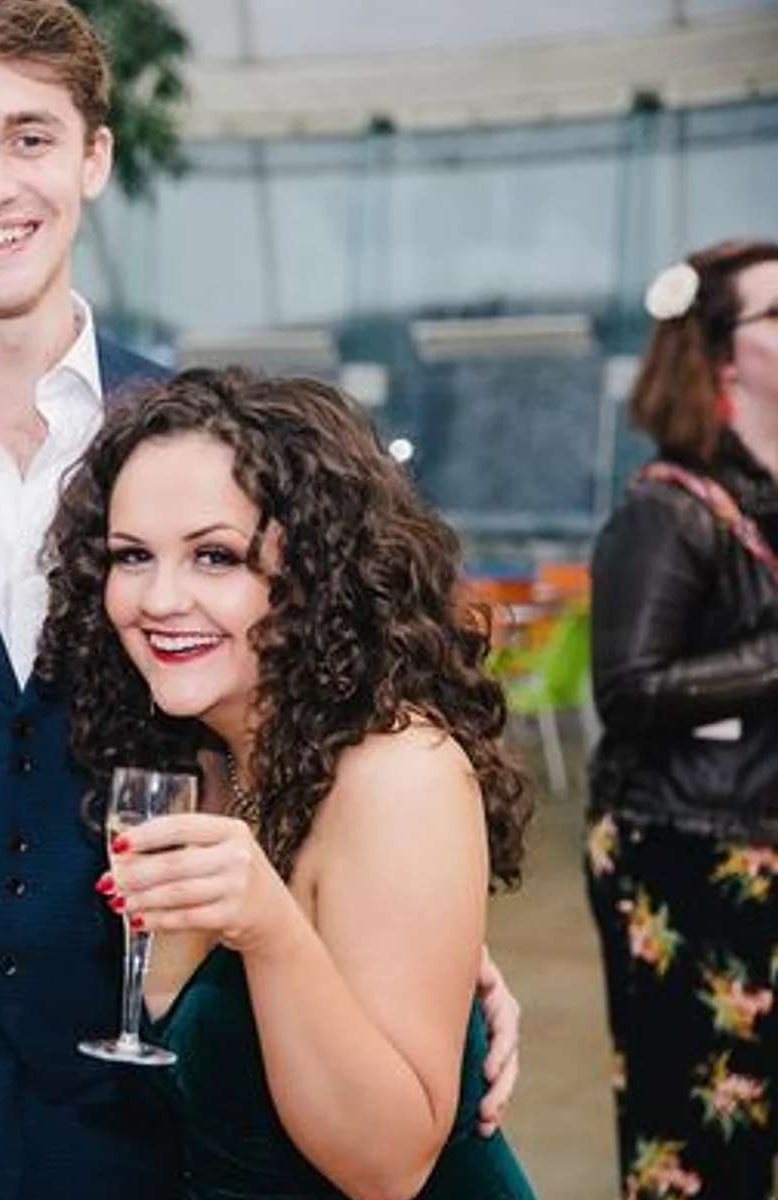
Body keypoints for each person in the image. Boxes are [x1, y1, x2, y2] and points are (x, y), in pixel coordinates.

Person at [0, 3, 519, 1197]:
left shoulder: (210, 438)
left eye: (29, 137)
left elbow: (309, 726)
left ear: (94, 156)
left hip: (138, 1113)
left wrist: (420, 953)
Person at [38, 367, 537, 1199]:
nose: (160, 598)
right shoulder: (195, 764)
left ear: (316, 571)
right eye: (132, 556)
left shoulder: (399, 775)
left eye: (215, 556)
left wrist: (272, 932)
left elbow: (388, 1169)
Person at [584, 239, 778, 1200]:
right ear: (720, 355)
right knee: (702, 1146)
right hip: (687, 851)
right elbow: (629, 688)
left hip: (755, 841)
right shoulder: (668, 508)